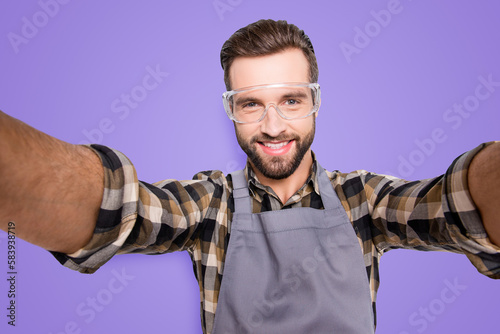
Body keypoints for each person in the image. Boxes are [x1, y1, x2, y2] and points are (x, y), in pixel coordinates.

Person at [0, 19, 499, 333]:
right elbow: (118, 210)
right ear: (230, 110)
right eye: (251, 105)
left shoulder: (362, 199)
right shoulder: (211, 204)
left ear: (316, 102)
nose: (274, 126)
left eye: (291, 100)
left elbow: (457, 208)